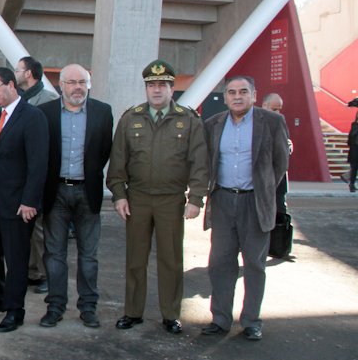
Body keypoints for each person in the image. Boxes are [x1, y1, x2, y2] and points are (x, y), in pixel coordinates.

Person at [107, 60, 209, 335]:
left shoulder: (188, 120)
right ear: (146, 88)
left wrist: (195, 199)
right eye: (151, 85)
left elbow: (199, 162)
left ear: (172, 89)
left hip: (171, 200)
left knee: (171, 259)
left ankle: (171, 314)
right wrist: (119, 195)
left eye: (162, 85)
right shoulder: (131, 118)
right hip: (137, 198)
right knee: (135, 259)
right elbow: (118, 161)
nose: (156, 90)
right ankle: (133, 312)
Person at [200, 76, 289, 341]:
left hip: (255, 202)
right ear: (225, 97)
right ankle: (220, 319)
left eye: (243, 92)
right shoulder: (213, 124)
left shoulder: (272, 122)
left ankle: (251, 321)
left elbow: (280, 163)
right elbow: (208, 161)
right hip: (223, 201)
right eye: (231, 92)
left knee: (254, 264)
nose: (237, 97)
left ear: (253, 94)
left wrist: (263, 190)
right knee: (220, 263)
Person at [36, 64, 113, 328]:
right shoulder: (45, 113)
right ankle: (55, 307)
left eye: (82, 82)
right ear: (61, 86)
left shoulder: (103, 112)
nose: (77, 87)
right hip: (55, 192)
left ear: (88, 85)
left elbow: (104, 151)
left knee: (88, 256)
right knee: (54, 254)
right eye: (71, 82)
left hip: (87, 191)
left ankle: (88, 307)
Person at [0, 67, 49, 333]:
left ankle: (15, 311)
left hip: (18, 204)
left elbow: (38, 163)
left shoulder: (32, 117)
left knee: (16, 260)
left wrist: (30, 201)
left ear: (11, 85)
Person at [15, 56, 58, 294]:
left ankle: (45, 274)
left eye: (18, 70)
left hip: (40, 175)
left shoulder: (48, 100)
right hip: (22, 174)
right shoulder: (23, 99)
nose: (16, 74)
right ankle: (32, 271)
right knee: (27, 228)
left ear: (28, 73)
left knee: (40, 229)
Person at [261, 93, 294, 203]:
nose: (277, 113)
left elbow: (285, 145)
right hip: (261, 180)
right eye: (274, 109)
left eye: (279, 109)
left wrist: (288, 147)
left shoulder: (279, 121)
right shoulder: (253, 123)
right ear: (264, 105)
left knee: (280, 209)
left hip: (279, 183)